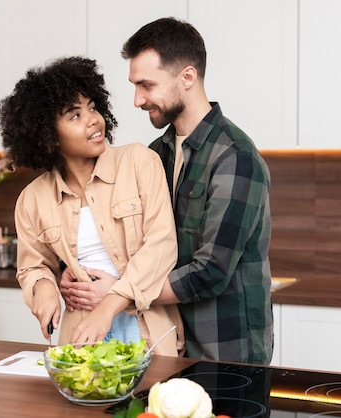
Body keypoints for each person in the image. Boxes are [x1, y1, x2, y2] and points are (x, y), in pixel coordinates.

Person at [62, 18, 273, 365]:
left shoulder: (236, 158)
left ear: (187, 78)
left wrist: (118, 295)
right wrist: (70, 275)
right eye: (135, 86)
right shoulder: (155, 155)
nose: (137, 99)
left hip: (225, 350)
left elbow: (212, 271)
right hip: (167, 341)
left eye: (146, 85)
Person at [0, 56, 183, 356]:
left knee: (150, 403)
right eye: (75, 115)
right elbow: (32, 265)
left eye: (93, 107)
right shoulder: (32, 200)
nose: (93, 119)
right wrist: (44, 287)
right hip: (81, 336)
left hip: (148, 332)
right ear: (47, 135)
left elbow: (161, 247)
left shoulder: (139, 162)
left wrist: (107, 307)